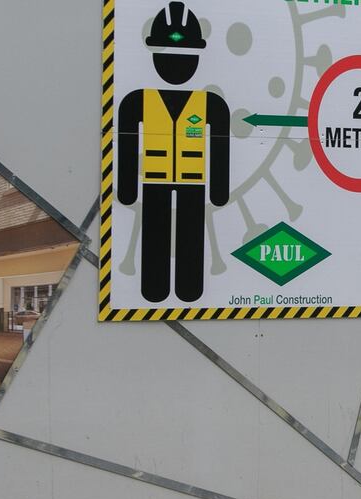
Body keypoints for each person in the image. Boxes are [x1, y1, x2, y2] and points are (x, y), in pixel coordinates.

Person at [117, 1, 230, 302]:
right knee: (155, 234)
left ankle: (190, 288)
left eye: (186, 53)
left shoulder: (211, 104)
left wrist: (219, 190)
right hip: (154, 181)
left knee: (191, 235)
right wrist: (127, 188)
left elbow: (221, 147)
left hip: (194, 183)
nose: (177, 61)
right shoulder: (137, 100)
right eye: (169, 52)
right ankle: (153, 289)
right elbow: (126, 143)